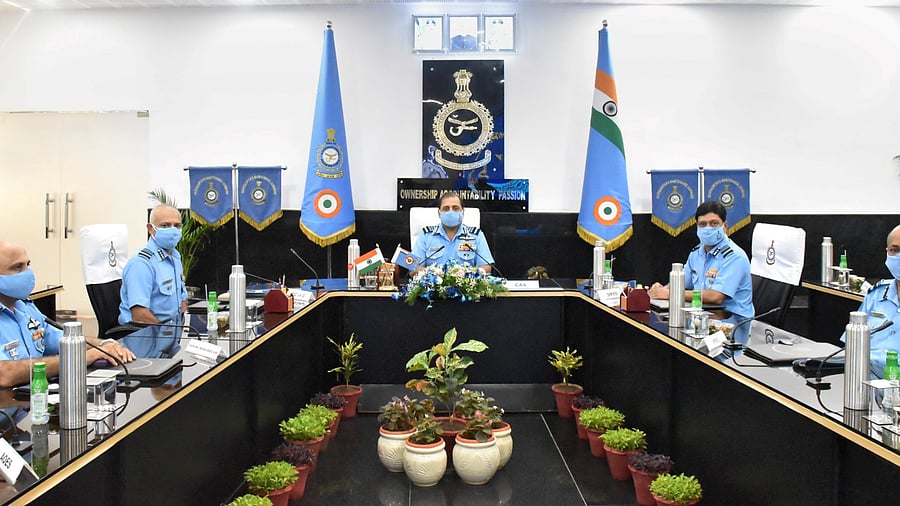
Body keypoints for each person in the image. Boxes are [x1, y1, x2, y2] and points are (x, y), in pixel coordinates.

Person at [0, 240, 134, 388]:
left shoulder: (25, 307)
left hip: (35, 395)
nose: (28, 273)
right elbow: (4, 374)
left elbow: (64, 340)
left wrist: (104, 345)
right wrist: (80, 358)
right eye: (18, 267)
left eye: (28, 264)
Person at [648, 201, 754, 319]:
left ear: (725, 226)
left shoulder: (734, 256)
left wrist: (671, 294)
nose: (708, 228)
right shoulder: (696, 253)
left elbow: (716, 297)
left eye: (714, 223)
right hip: (704, 315)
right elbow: (682, 281)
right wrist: (663, 289)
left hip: (734, 320)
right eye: (703, 224)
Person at [841, 224, 900, 379]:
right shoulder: (876, 295)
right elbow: (851, 346)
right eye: (895, 250)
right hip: (863, 382)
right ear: (887, 252)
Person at [119, 204, 188, 327]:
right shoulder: (142, 263)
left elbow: (181, 301)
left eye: (177, 226)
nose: (172, 230)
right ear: (151, 229)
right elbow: (140, 315)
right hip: (144, 332)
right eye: (165, 225)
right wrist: (166, 332)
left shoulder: (175, 257)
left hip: (171, 329)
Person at [411, 191, 495, 272]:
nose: (450, 212)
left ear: (463, 212)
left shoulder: (476, 236)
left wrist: (463, 275)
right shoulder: (426, 235)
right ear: (439, 213)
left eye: (455, 208)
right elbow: (413, 268)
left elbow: (486, 267)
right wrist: (436, 274)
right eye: (446, 208)